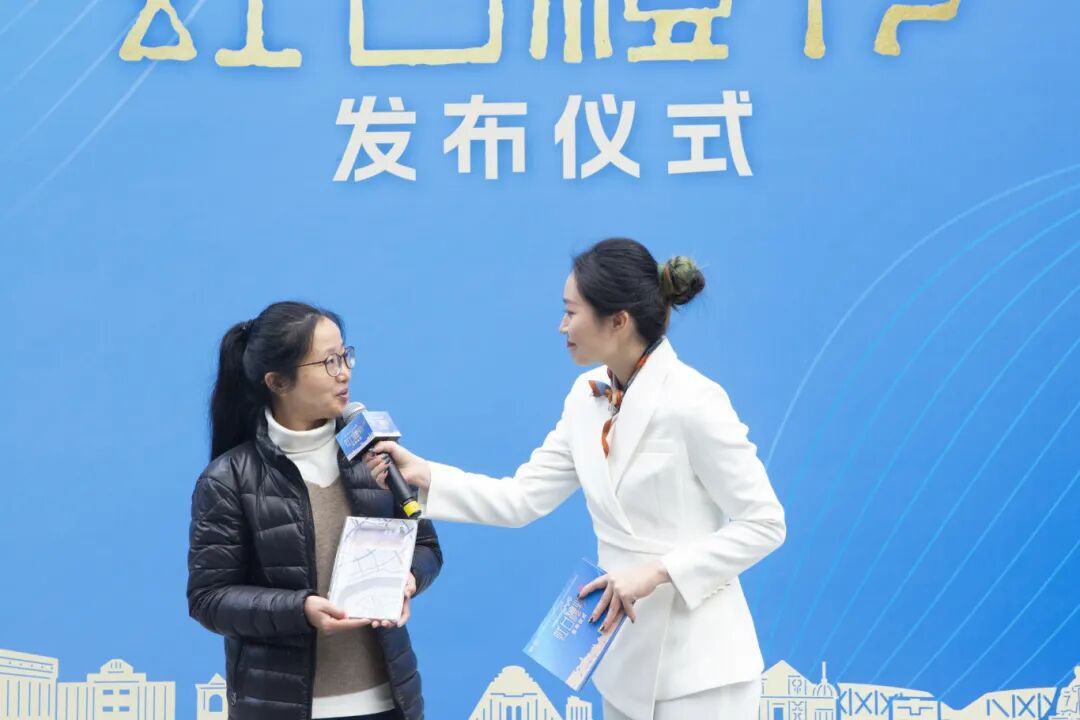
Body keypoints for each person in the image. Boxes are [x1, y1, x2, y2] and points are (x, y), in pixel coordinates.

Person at [366, 239, 785, 720]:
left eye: (571, 312)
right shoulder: (585, 397)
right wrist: (424, 475)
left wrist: (658, 570)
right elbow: (521, 498)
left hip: (704, 669)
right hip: (622, 659)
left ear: (618, 321)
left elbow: (765, 524)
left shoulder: (695, 401)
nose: (561, 326)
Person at [187, 301, 443, 720]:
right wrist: (300, 609)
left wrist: (409, 579)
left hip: (388, 702)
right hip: (281, 708)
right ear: (278, 382)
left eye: (345, 356)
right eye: (328, 362)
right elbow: (209, 598)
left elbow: (426, 544)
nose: (345, 373)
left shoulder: (376, 455)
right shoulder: (229, 478)